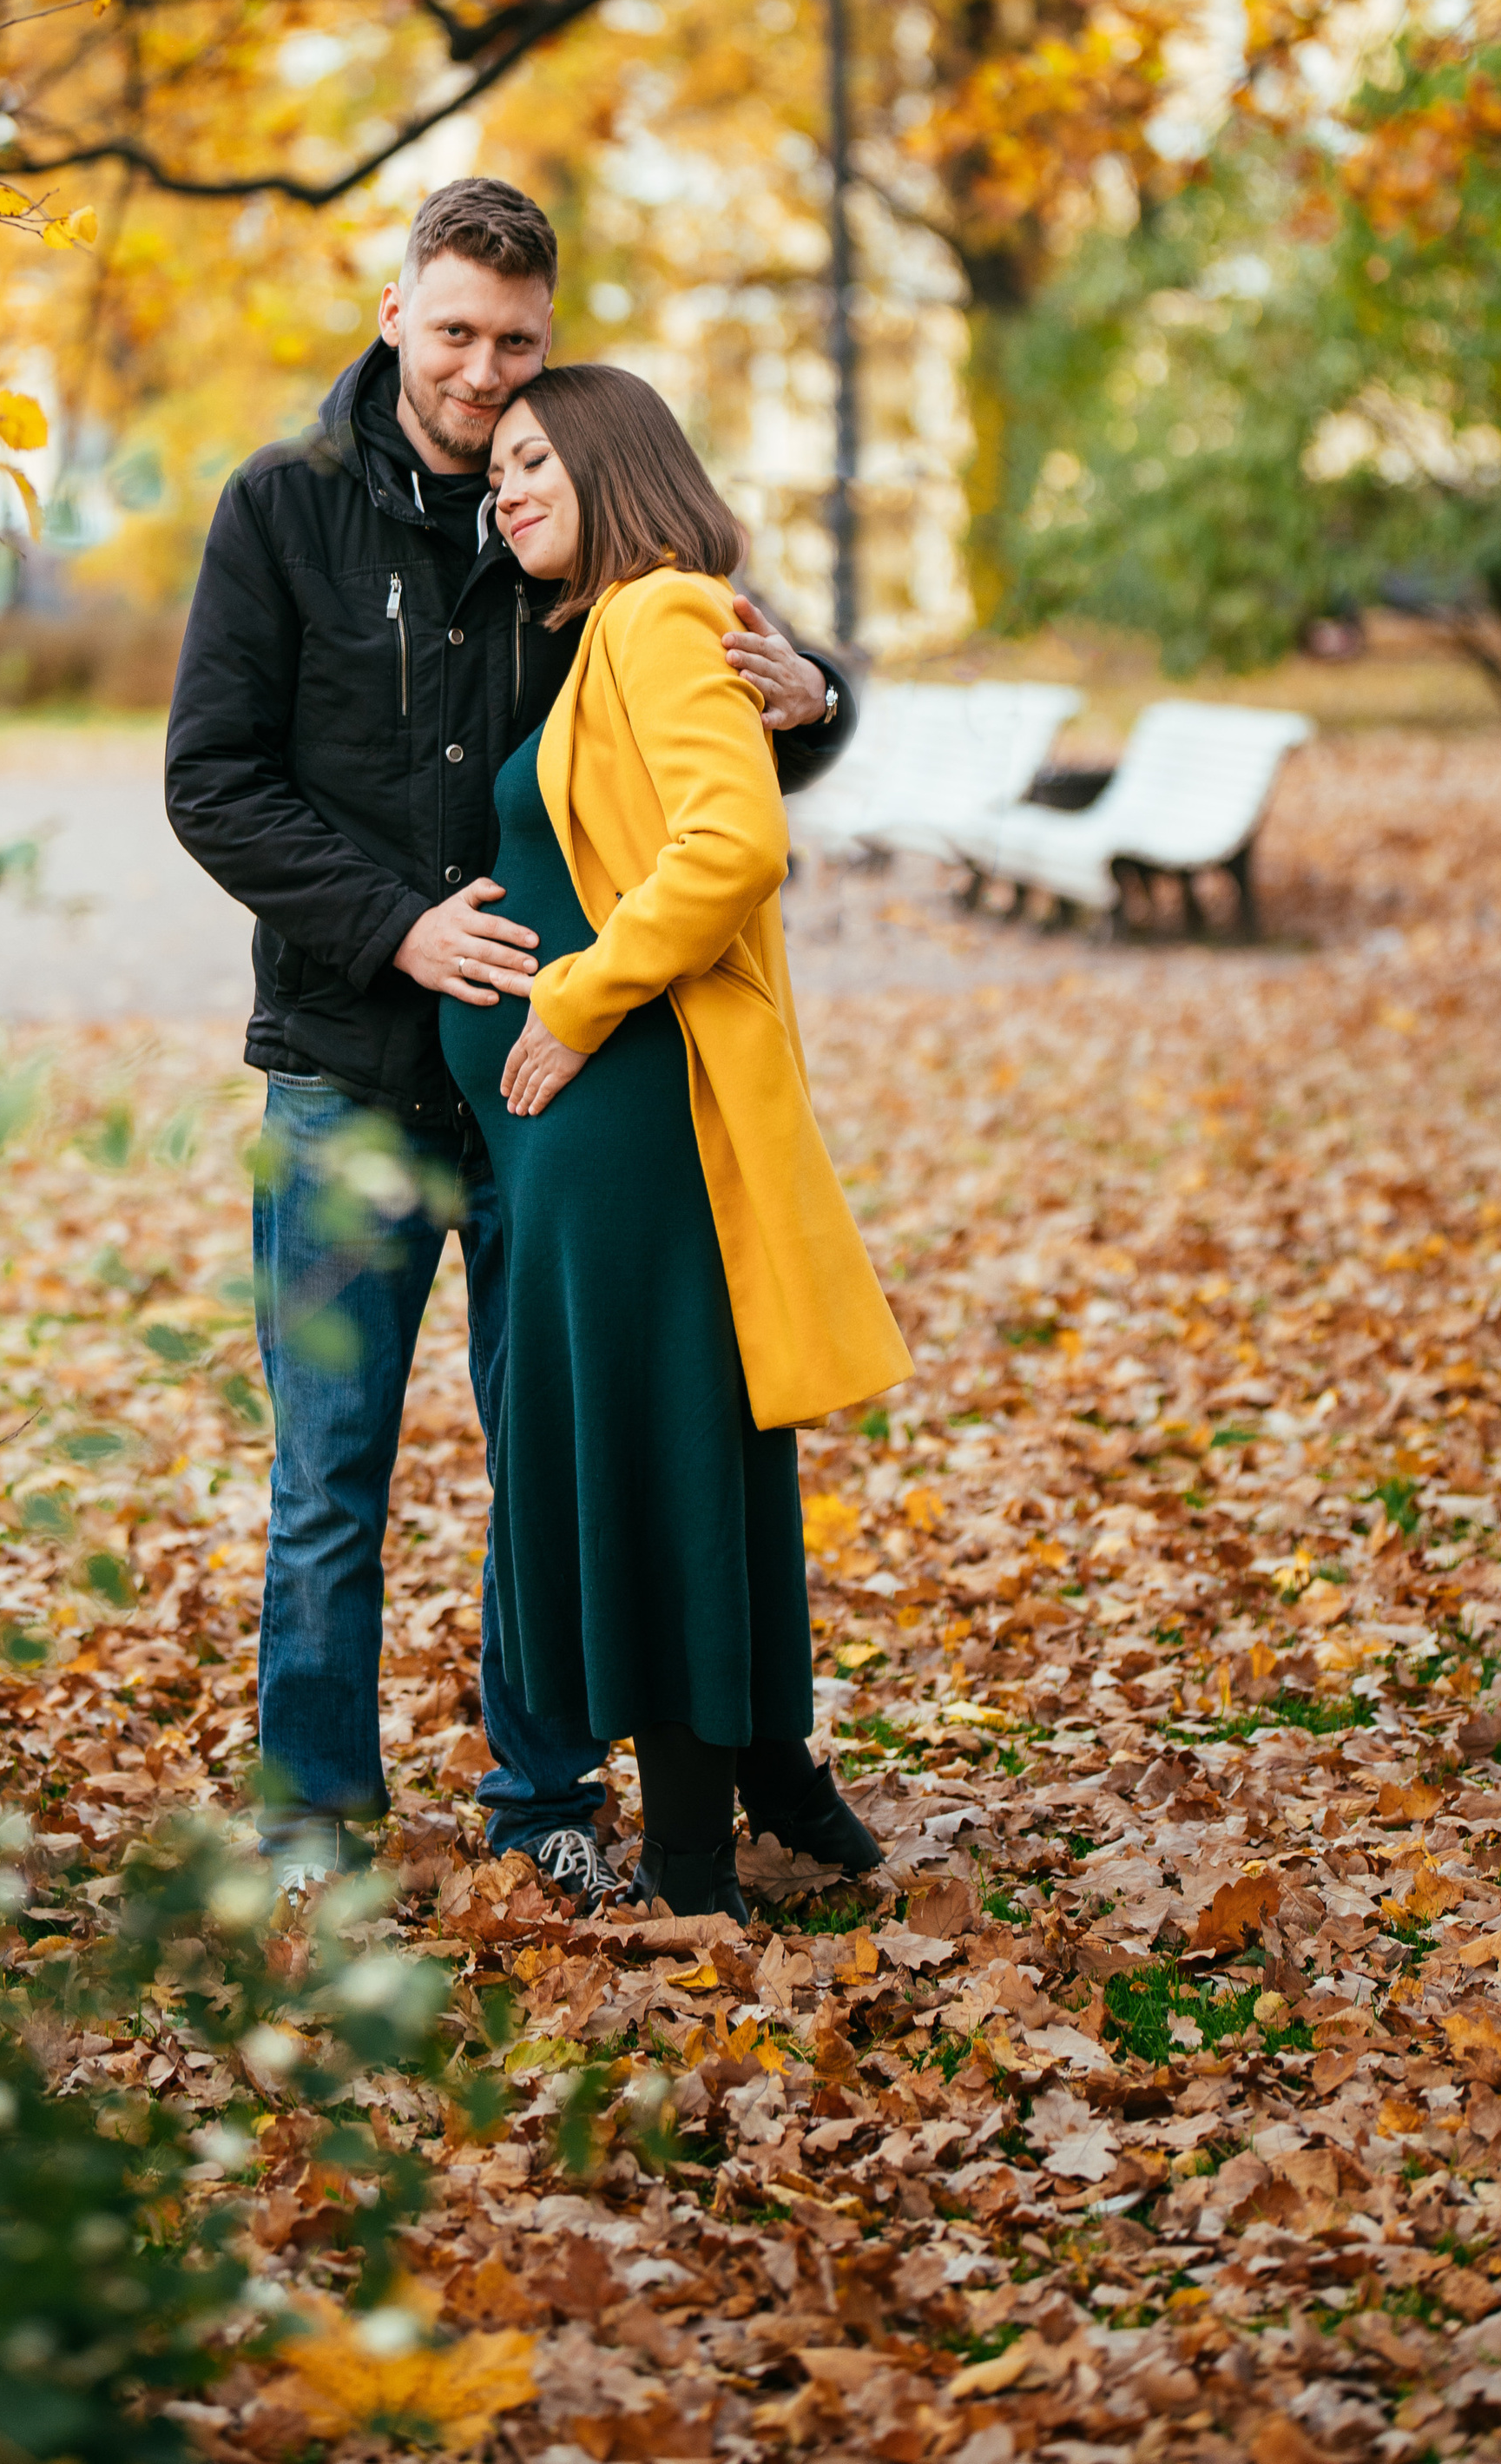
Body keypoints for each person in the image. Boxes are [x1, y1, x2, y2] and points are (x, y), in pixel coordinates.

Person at [164, 176, 859, 1899]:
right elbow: (210, 779)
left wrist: (822, 700)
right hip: (344, 1073)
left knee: (546, 1456)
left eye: (516, 341)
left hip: (553, 1096)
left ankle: (539, 1793)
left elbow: (716, 713)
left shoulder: (568, 509)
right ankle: (314, 1815)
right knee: (330, 1467)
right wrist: (393, 921)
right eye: (456, 329)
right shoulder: (282, 507)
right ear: (393, 308)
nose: (483, 372)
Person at [440, 363, 913, 1919]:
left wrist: (571, 1003)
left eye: (530, 463)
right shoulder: (609, 634)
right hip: (592, 1140)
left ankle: (698, 1862)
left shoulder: (654, 616)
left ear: (608, 461)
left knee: (655, 1463)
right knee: (684, 1456)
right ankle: (773, 1786)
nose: (505, 489)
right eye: (495, 468)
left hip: (628, 1120)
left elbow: (735, 844)